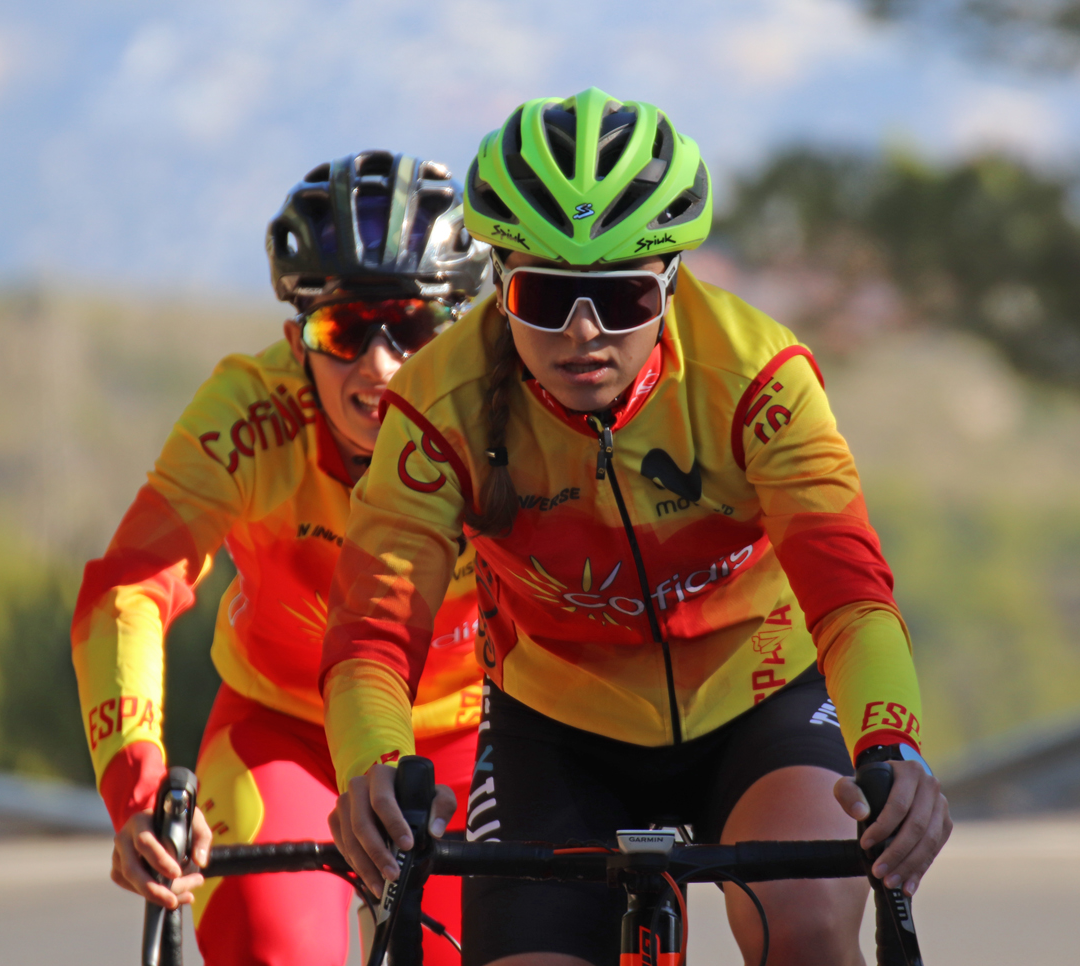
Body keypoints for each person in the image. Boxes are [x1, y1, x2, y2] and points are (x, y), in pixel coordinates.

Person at [321, 90, 951, 966]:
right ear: (500, 283)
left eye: (618, 299)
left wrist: (893, 743)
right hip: (556, 726)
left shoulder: (758, 376)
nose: (583, 333)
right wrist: (373, 764)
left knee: (803, 927)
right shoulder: (439, 403)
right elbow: (373, 634)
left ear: (669, 282)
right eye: (546, 296)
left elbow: (849, 596)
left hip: (757, 700)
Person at [71, 151, 489, 966]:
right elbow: (129, 589)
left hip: (472, 735)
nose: (379, 364)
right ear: (298, 338)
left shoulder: (501, 410)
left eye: (411, 327)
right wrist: (141, 790)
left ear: (458, 328)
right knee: (279, 946)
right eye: (342, 331)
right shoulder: (249, 413)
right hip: (287, 731)